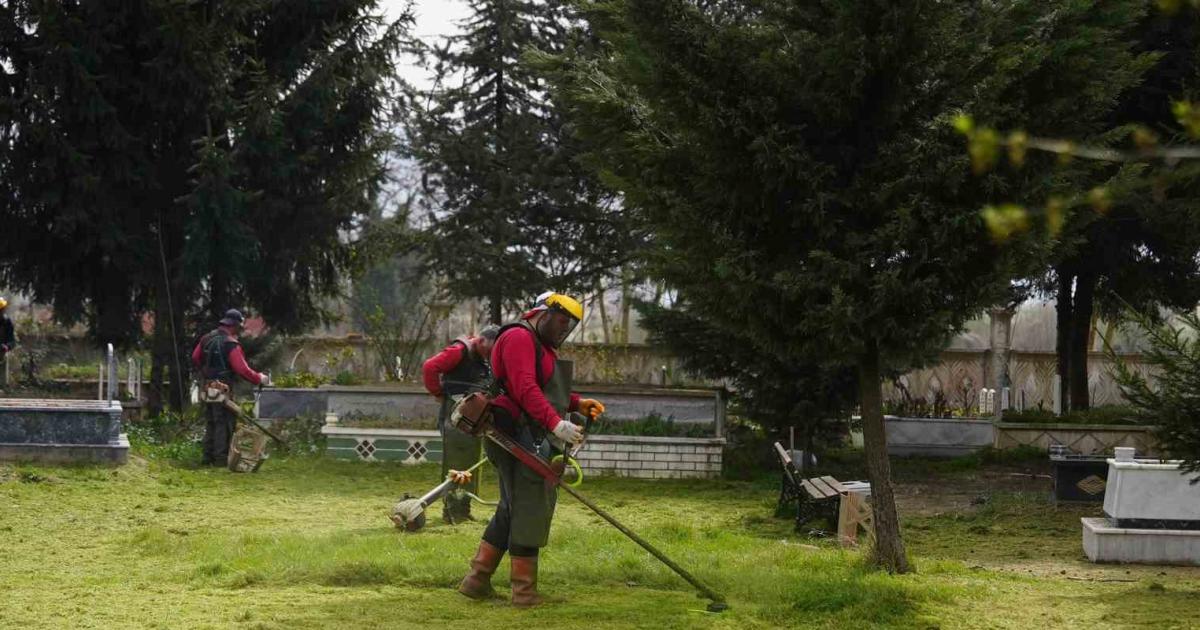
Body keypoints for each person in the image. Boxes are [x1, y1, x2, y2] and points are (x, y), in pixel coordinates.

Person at [457, 292, 605, 607]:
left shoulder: (539, 346)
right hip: (516, 433)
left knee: (512, 507)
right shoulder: (519, 338)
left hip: (527, 432)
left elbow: (543, 387)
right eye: (562, 320)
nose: (565, 329)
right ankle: (524, 593)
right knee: (529, 506)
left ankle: (476, 580)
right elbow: (524, 388)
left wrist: (577, 402)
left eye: (571, 324)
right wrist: (556, 424)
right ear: (544, 313)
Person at [422, 324, 501, 522]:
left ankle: (462, 509)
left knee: (470, 461)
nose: (491, 355)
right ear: (482, 341)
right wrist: (438, 393)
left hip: (475, 415)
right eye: (490, 350)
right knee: (456, 460)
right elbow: (430, 367)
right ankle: (452, 511)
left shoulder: (482, 357)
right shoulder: (459, 351)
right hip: (455, 413)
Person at [191, 309, 269, 466]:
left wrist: (206, 373)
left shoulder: (206, 339)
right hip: (224, 387)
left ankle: (207, 458)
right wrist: (259, 378)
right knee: (224, 422)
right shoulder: (230, 344)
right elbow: (242, 369)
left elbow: (195, 357)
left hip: (207, 385)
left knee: (211, 420)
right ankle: (220, 459)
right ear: (234, 326)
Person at [0, 297, 15, 388]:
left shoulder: (7, 322)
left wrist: (7, 346)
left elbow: (11, 340)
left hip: (2, 352)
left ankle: (2, 386)